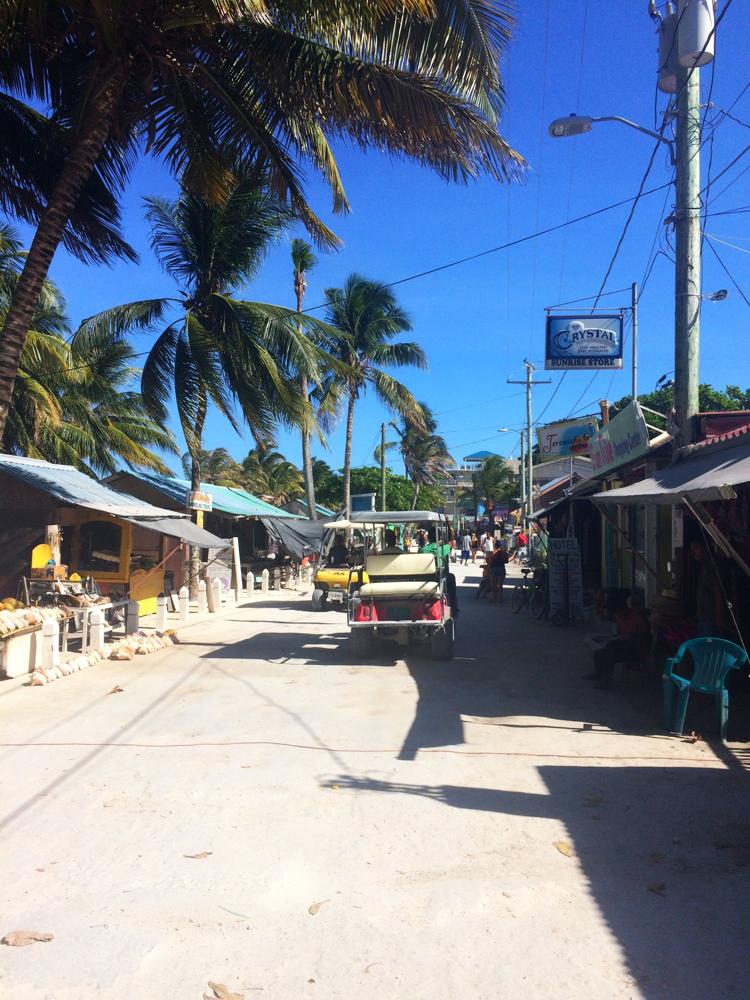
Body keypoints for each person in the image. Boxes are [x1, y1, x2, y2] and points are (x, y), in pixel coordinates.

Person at [586, 596, 651, 690]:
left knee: (610, 651)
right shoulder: (621, 618)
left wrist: (623, 638)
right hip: (627, 645)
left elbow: (641, 639)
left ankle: (606, 681)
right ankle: (599, 674)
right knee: (599, 651)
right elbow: (620, 634)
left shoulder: (639, 619)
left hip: (637, 649)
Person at [691, 539, 726, 637]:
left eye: (696, 548)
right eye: (692, 549)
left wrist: (718, 615)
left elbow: (718, 591)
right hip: (703, 616)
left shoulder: (711, 566)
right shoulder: (703, 566)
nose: (693, 552)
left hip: (710, 617)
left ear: (705, 548)